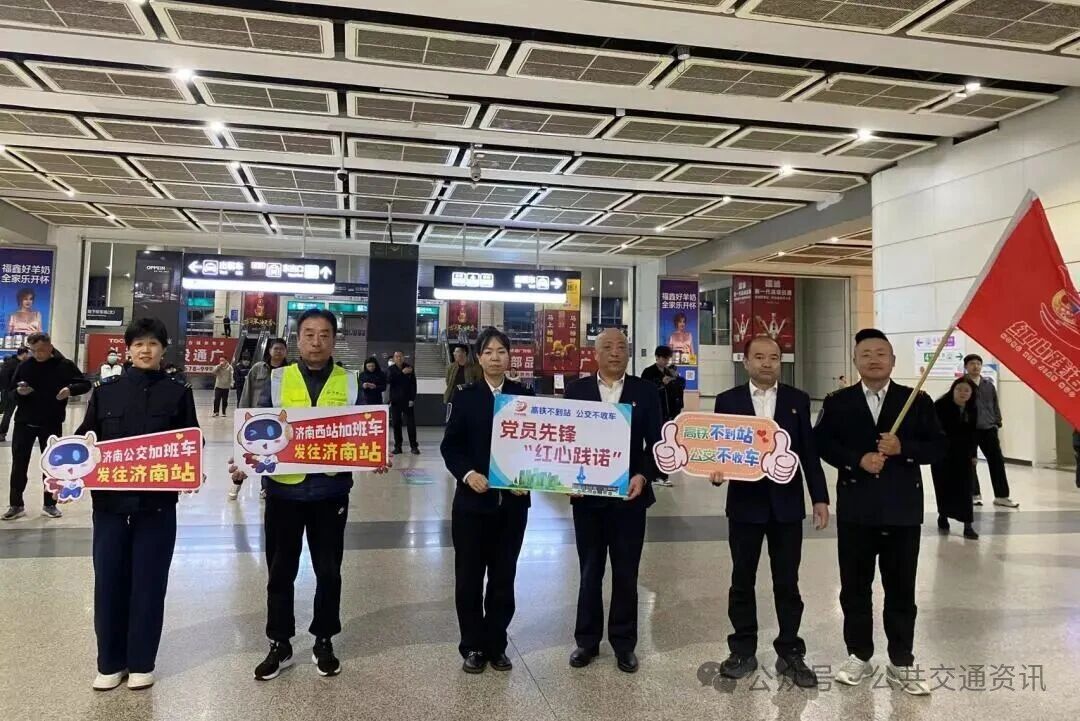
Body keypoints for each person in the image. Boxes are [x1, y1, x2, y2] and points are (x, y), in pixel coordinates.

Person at [227, 309, 389, 682]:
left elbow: (365, 430)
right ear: (298, 339)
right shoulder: (277, 379)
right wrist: (244, 462)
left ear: (334, 340)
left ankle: (324, 639)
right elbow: (257, 426)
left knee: (329, 571)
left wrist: (376, 454)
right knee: (279, 571)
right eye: (309, 334)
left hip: (330, 492)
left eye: (324, 335)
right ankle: (280, 643)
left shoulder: (350, 382)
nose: (317, 342)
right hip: (283, 491)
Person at [814, 328, 946, 696]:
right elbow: (821, 442)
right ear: (855, 360)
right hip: (856, 510)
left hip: (902, 510)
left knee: (901, 588)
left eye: (881, 353)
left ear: (892, 360)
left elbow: (939, 447)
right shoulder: (838, 401)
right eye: (866, 354)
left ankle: (901, 660)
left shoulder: (916, 400)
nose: (874, 359)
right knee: (854, 587)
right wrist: (857, 460)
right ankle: (859, 654)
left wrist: (904, 448)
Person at [77, 318, 199, 692]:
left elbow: (192, 441)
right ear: (128, 350)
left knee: (149, 583)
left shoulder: (178, 393)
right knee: (109, 582)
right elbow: (85, 439)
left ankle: (142, 661)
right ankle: (110, 662)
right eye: (139, 344)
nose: (146, 350)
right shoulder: (106, 392)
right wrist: (66, 466)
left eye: (153, 343)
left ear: (163, 349)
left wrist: (190, 469)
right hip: (109, 507)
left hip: (156, 507)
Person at [711, 335, 830, 688]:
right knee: (742, 580)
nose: (767, 363)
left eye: (774, 357)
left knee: (787, 582)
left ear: (781, 362)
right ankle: (742, 650)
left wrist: (819, 498)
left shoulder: (796, 400)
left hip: (786, 507)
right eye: (759, 357)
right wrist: (715, 471)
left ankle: (790, 651)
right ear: (745, 362)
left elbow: (808, 452)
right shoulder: (728, 400)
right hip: (744, 506)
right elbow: (717, 448)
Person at [564, 328, 662, 674]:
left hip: (629, 498)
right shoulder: (577, 391)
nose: (615, 352)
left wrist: (643, 475)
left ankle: (624, 644)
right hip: (587, 500)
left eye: (622, 347)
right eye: (607, 346)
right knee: (589, 572)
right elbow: (565, 442)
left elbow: (658, 444)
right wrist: (565, 480)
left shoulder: (645, 392)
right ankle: (587, 641)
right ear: (595, 353)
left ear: (629, 353)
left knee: (625, 573)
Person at [440, 327, 532, 674]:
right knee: (468, 579)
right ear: (479, 358)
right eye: (489, 352)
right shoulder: (465, 397)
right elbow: (451, 447)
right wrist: (468, 474)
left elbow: (539, 449)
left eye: (501, 351)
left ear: (510, 356)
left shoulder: (525, 398)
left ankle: (496, 644)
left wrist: (529, 479)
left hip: (512, 506)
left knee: (503, 578)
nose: (496, 358)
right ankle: (473, 646)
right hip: (472, 506)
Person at [2, 333, 92, 521]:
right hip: (24, 422)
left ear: (50, 347)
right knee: (19, 464)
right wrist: (19, 392)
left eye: (41, 350)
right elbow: (11, 391)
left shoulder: (64, 365)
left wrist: (70, 390)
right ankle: (16, 504)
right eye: (33, 351)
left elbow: (85, 384)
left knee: (52, 466)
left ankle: (50, 504)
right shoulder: (25, 366)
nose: (38, 354)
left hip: (51, 423)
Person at [231, 338, 290, 500]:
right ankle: (236, 484)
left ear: (286, 352)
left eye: (281, 349)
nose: (278, 351)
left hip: (277, 421)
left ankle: (266, 487)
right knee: (247, 453)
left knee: (271, 454)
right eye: (275, 348)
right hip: (255, 418)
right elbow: (247, 391)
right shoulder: (258, 369)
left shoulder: (290, 371)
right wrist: (242, 414)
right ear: (269, 351)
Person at [963, 355, 1019, 508]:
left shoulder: (988, 385)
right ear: (966, 366)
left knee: (997, 461)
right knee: (970, 462)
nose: (976, 366)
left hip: (989, 428)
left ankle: (1002, 496)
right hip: (969, 430)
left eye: (978, 363)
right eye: (972, 364)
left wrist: (997, 422)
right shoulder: (961, 385)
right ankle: (974, 494)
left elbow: (994, 404)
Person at [932, 377, 980, 540]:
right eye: (959, 389)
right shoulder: (940, 406)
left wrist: (973, 454)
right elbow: (933, 429)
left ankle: (968, 525)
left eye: (967, 390)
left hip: (963, 455)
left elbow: (973, 433)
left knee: (966, 489)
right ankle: (943, 515)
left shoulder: (972, 408)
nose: (962, 393)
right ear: (953, 390)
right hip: (942, 455)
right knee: (943, 487)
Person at [387, 351, 419, 455]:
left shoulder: (409, 368)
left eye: (400, 356)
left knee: (411, 424)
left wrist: (412, 399)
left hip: (407, 400)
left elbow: (413, 384)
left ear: (404, 357)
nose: (399, 358)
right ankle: (398, 447)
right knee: (396, 424)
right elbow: (390, 381)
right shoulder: (391, 369)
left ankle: (414, 446)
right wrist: (402, 373)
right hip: (395, 401)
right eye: (396, 356)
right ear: (394, 358)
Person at [0, 346, 29, 441]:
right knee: (8, 413)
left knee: (9, 412)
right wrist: (9, 389)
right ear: (24, 353)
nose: (28, 356)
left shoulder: (12, 362)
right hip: (11, 392)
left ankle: (3, 433)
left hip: (14, 391)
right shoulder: (14, 363)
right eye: (27, 354)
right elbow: (5, 377)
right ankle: (2, 432)